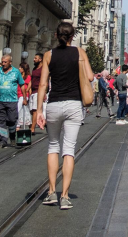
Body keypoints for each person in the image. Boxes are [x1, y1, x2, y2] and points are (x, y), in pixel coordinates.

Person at [36, 22, 93, 211]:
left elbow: (43, 85)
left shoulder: (48, 55)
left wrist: (38, 111)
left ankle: (51, 192)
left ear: (55, 35)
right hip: (74, 104)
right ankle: (65, 196)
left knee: (53, 146)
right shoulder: (79, 52)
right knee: (69, 150)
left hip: (53, 104)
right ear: (72, 36)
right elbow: (91, 77)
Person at [0, 53, 27, 148]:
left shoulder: (16, 72)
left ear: (10, 62)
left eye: (5, 62)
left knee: (12, 120)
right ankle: (3, 141)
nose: (3, 63)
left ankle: (12, 136)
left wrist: (25, 98)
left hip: (12, 100)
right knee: (0, 121)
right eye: (2, 62)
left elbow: (22, 85)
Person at [29, 53, 44, 135]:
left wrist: (44, 93)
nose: (34, 59)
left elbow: (45, 82)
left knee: (35, 110)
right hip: (33, 92)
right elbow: (32, 80)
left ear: (40, 59)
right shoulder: (34, 69)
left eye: (36, 58)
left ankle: (32, 129)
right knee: (31, 110)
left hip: (39, 91)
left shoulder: (43, 69)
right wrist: (29, 89)